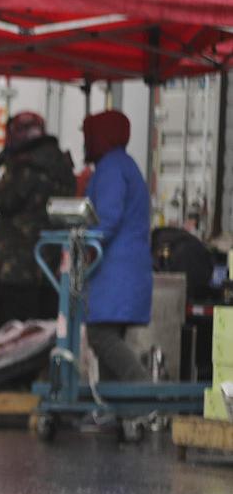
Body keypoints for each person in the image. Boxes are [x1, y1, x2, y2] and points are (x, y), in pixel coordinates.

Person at [0, 110, 75, 328]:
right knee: (45, 330)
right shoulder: (61, 165)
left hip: (16, 269)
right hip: (51, 266)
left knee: (11, 334)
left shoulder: (26, 167)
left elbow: (3, 199)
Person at [79, 108, 153, 386]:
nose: (85, 143)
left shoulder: (111, 168)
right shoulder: (124, 164)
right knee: (110, 339)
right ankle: (117, 410)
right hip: (124, 272)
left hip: (115, 273)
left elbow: (107, 218)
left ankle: (144, 391)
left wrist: (82, 239)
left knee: (101, 336)